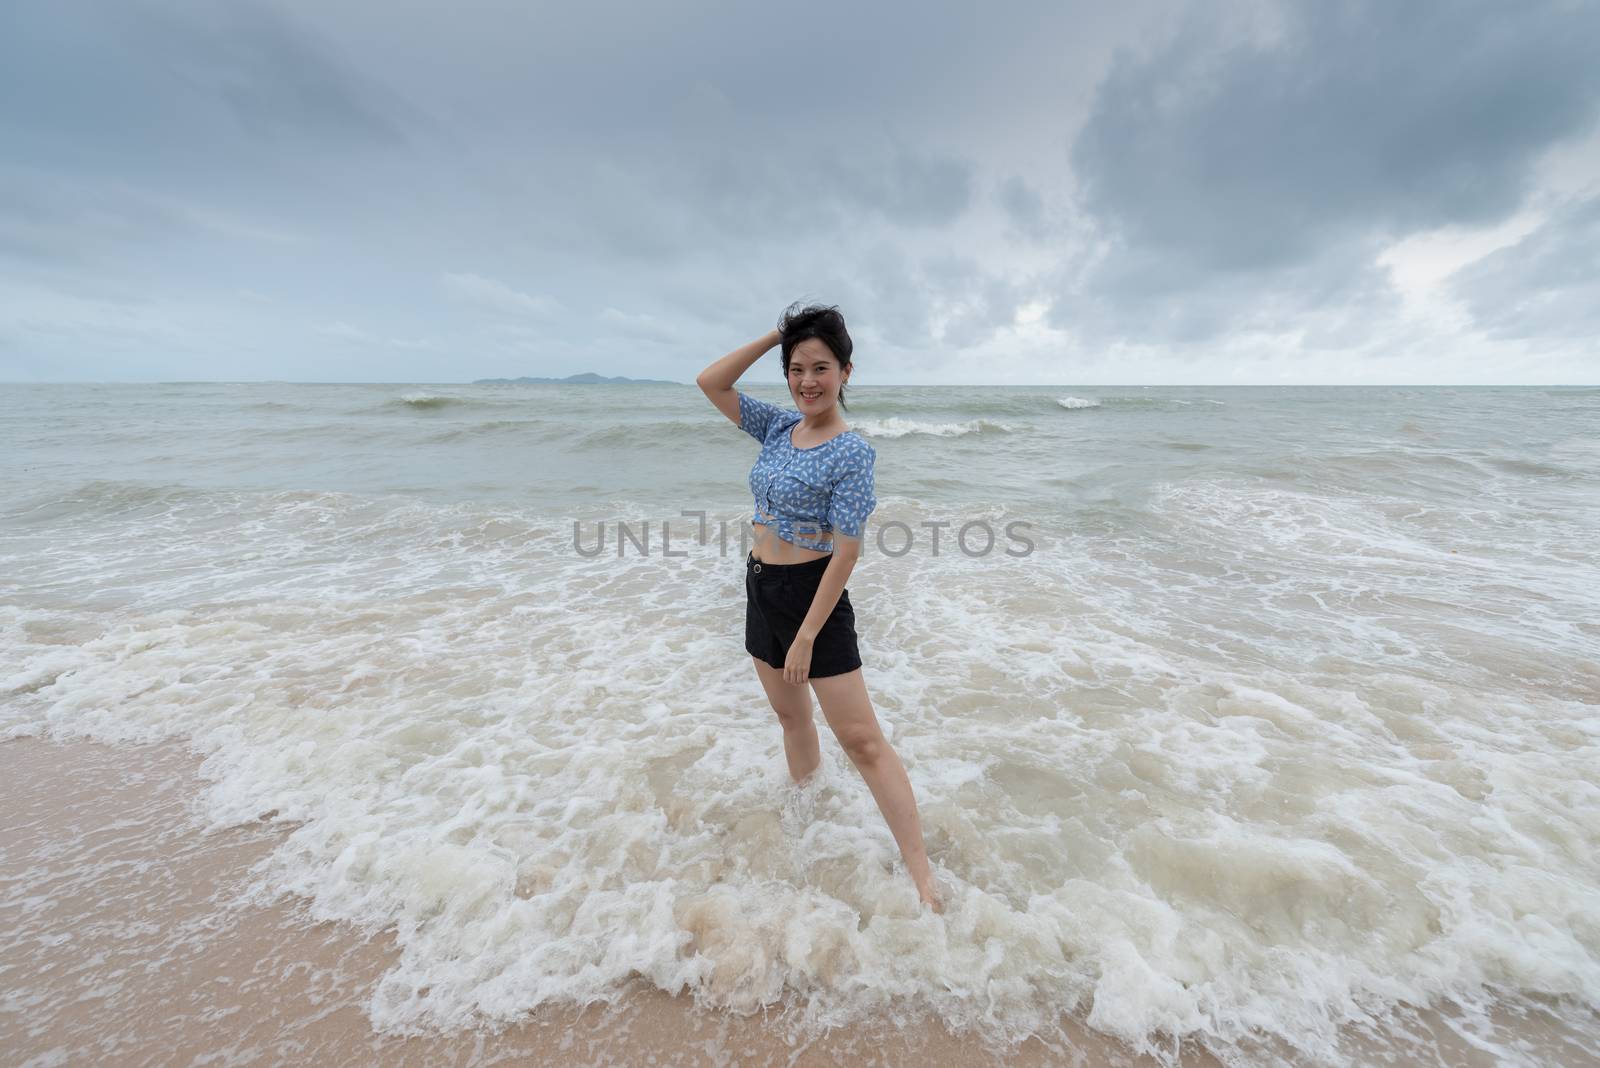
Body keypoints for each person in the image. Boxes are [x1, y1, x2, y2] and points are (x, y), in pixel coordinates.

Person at [695, 302, 942, 913]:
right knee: (792, 721)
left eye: (822, 367)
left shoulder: (852, 452)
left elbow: (848, 551)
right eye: (797, 367)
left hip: (815, 602)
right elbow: (711, 382)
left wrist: (807, 635)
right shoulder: (779, 428)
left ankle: (922, 876)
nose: (808, 380)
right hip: (761, 590)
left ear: (846, 372)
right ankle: (807, 825)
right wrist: (781, 334)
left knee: (861, 740)